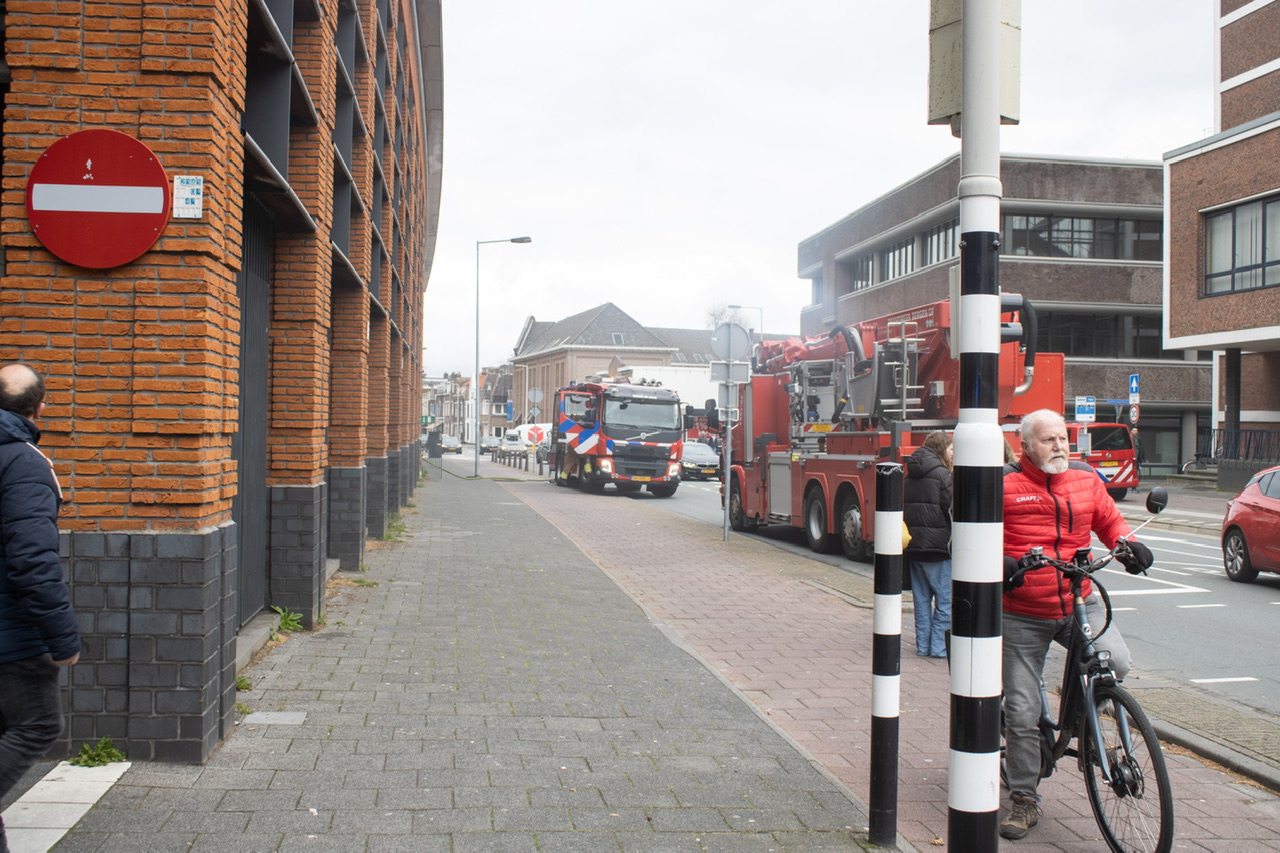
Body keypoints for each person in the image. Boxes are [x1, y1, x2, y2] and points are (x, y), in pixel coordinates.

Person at [998, 409, 1153, 841]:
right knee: (1024, 711)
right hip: (1022, 612)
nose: (1060, 447)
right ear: (1025, 445)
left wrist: (1130, 545)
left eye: (1063, 439)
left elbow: (1109, 520)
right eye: (1049, 441)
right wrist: (1004, 563)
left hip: (1078, 600)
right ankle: (1024, 800)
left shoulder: (1085, 479)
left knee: (1116, 662)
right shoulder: (1005, 486)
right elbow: (975, 535)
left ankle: (1083, 719)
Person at [0, 364, 78, 853]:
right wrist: (63, 639)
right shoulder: (23, 461)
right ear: (39, 408)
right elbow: (31, 560)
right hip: (12, 637)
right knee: (38, 724)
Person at [904, 431, 953, 659]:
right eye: (951, 449)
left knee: (921, 601)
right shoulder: (944, 475)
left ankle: (923, 647)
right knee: (945, 601)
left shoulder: (909, 475)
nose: (953, 454)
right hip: (938, 547)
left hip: (914, 546)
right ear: (942, 449)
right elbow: (952, 510)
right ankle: (939, 648)